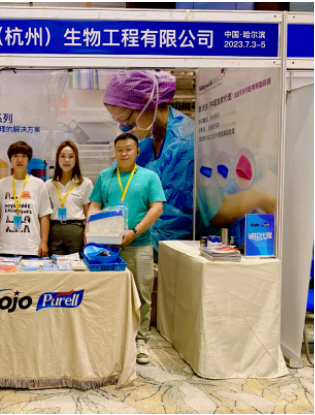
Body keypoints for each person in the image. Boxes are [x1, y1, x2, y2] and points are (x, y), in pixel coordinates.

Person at [88, 133, 165, 364]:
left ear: (137, 151)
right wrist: (90, 230)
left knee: (142, 293)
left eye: (129, 149)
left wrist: (135, 231)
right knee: (108, 292)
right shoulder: (105, 176)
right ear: (115, 152)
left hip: (139, 246)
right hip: (107, 249)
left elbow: (157, 208)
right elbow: (94, 205)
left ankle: (141, 340)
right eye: (120, 149)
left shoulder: (149, 177)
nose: (124, 153)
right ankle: (111, 337)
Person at [103, 70, 194, 253]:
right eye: (119, 123)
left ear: (147, 103)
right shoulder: (146, 139)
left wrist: (132, 238)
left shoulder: (185, 144)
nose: (125, 129)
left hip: (169, 249)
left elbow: (174, 223)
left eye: (127, 120)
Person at [0, 141, 52, 258]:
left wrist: (44, 242)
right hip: (5, 247)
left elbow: (44, 216)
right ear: (10, 160)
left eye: (24, 156)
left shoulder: (39, 184)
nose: (19, 160)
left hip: (31, 247)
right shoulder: (1, 184)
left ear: (28, 160)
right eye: (15, 156)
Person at [45, 141, 93, 255]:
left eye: (71, 156)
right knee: (54, 264)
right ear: (57, 159)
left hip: (76, 231)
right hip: (54, 230)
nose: (66, 160)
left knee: (76, 264)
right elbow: (45, 214)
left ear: (76, 159)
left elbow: (88, 213)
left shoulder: (85, 183)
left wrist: (88, 233)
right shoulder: (48, 185)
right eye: (63, 156)